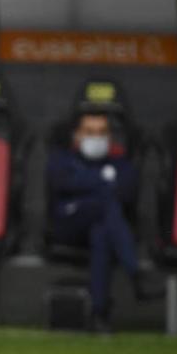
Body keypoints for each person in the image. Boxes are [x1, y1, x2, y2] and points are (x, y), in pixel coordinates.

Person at [47, 111, 163, 333]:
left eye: (101, 132)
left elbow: (128, 190)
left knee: (101, 234)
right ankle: (136, 275)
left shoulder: (120, 163)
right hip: (68, 226)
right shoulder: (62, 159)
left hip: (101, 226)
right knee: (105, 203)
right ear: (77, 135)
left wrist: (88, 183)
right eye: (89, 132)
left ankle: (100, 314)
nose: (95, 138)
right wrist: (103, 183)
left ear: (109, 137)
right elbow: (61, 182)